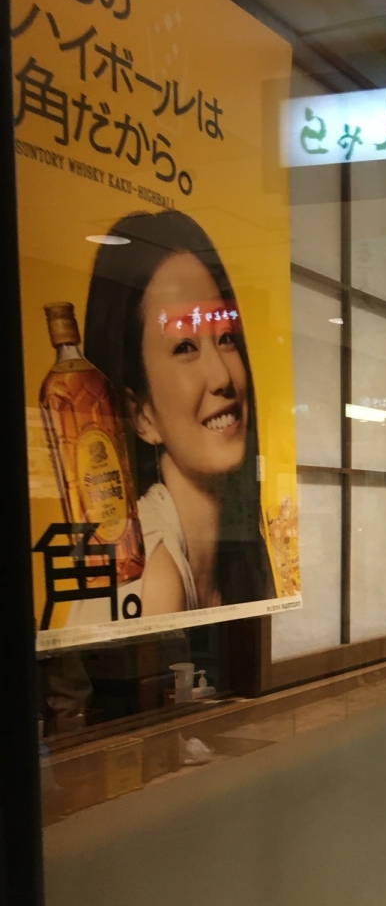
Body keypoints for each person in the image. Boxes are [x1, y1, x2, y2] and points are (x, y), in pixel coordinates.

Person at [83, 210, 274, 616]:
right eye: (185, 347)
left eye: (226, 338)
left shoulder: (235, 555)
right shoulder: (154, 573)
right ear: (141, 415)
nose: (222, 376)